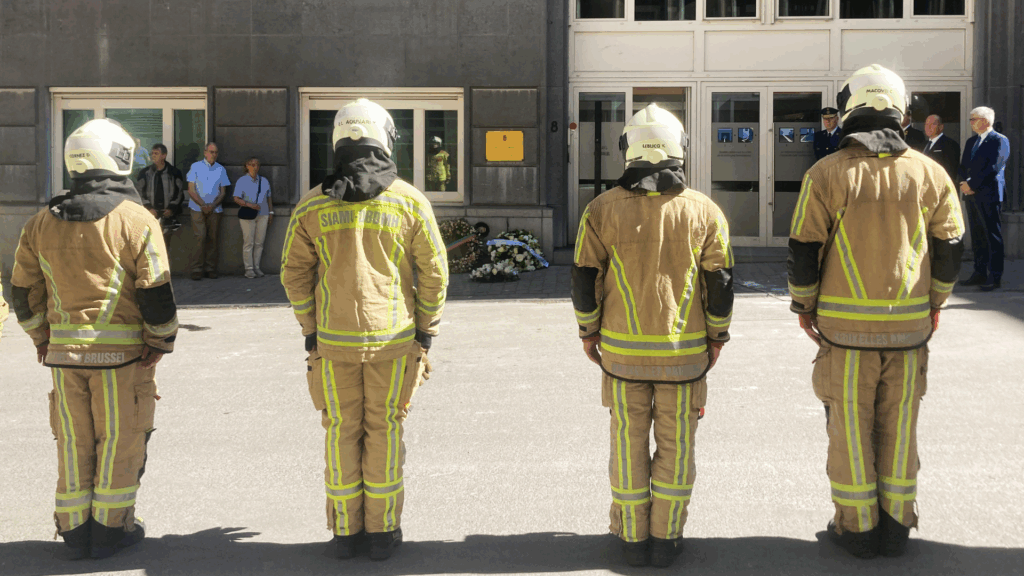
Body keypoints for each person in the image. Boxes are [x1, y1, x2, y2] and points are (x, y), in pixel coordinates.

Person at [788, 64, 964, 559]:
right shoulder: (932, 173)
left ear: (850, 112)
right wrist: (935, 303)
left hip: (844, 336)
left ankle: (858, 529)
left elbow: (804, 248)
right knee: (899, 425)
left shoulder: (826, 174)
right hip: (908, 332)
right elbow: (949, 247)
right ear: (902, 113)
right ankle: (896, 527)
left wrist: (804, 306)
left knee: (849, 429)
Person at [281, 98, 447, 561]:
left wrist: (310, 330)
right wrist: (426, 332)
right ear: (386, 138)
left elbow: (293, 274)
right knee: (384, 430)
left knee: (340, 430)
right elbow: (434, 273)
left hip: (332, 344)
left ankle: (344, 534)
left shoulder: (312, 204)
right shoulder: (410, 201)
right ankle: (381, 533)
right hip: (393, 342)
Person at [572, 103, 734, 568]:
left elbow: (584, 278)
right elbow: (719, 282)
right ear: (679, 148)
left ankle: (631, 537)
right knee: (677, 443)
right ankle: (667, 538)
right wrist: (717, 337)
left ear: (628, 150)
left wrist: (588, 332)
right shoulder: (704, 210)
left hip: (621, 356)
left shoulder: (600, 209)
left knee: (627, 441)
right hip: (684, 356)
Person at [9, 118, 178, 560]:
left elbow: (22, 291)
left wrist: (40, 336)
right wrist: (159, 343)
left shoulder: (41, 222)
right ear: (118, 159)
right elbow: (156, 292)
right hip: (122, 361)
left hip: (64, 358)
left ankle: (74, 528)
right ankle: (109, 530)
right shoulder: (136, 220)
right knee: (120, 441)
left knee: (74, 440)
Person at [959, 106, 1011, 291]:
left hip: (989, 194)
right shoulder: (972, 141)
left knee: (992, 236)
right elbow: (963, 165)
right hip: (971, 195)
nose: (971, 122)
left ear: (986, 121)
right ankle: (979, 272)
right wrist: (964, 183)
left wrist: (972, 185)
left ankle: (994, 276)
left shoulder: (1000, 140)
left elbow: (993, 168)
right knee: (977, 235)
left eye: (974, 119)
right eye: (971, 119)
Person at [186, 142, 230, 281]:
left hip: (215, 209)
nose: (214, 155)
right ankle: (196, 269)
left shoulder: (221, 169)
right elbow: (191, 189)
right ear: (205, 152)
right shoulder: (195, 167)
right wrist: (203, 204)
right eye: (211, 152)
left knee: (213, 239)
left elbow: (223, 192)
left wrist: (212, 205)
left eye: (216, 152)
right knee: (200, 238)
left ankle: (210, 269)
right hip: (197, 209)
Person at [135, 143, 185, 248]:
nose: (153, 156)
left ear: (164, 155)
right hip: (150, 215)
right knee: (149, 246)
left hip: (168, 217)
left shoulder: (174, 172)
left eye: (156, 153)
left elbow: (179, 193)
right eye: (152, 153)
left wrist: (171, 209)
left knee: (165, 246)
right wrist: (148, 208)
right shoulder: (145, 173)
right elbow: (139, 192)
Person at [232, 156, 274, 278]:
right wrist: (249, 205)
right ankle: (249, 268)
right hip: (248, 215)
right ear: (247, 166)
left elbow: (269, 198)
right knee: (248, 242)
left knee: (259, 243)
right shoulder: (242, 181)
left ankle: (257, 266)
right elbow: (236, 198)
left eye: (257, 165)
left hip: (263, 214)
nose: (255, 167)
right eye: (252, 164)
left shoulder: (264, 181)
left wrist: (271, 213)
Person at [921, 115, 961, 183]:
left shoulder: (950, 144)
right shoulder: (923, 144)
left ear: (941, 127)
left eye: (932, 124)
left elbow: (950, 171)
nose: (928, 127)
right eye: (926, 124)